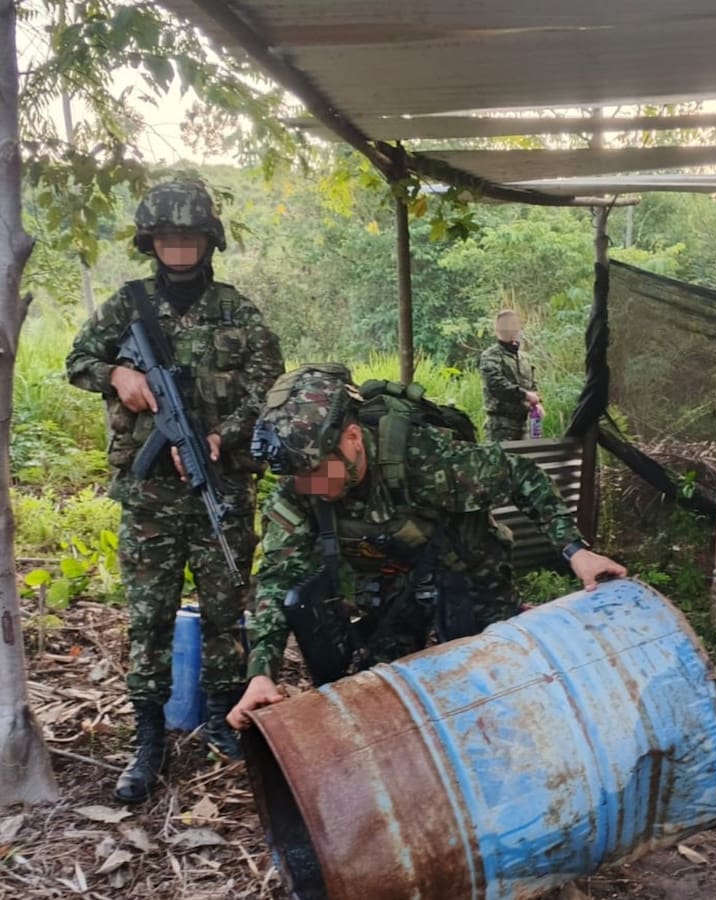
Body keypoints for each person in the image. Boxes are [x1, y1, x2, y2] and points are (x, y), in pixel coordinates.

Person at [226, 364, 626, 729]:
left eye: (314, 474)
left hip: (468, 570)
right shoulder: (300, 482)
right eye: (297, 479)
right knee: (379, 695)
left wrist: (576, 552)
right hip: (395, 585)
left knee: (497, 680)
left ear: (352, 440)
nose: (307, 488)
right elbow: (277, 579)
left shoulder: (425, 460)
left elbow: (521, 476)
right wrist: (261, 671)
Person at [65, 180, 284, 803]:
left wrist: (223, 437)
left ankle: (220, 714)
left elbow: (266, 388)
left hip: (220, 481)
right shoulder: (125, 306)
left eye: (188, 236)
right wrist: (117, 373)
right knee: (149, 617)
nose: (178, 247)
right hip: (151, 498)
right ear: (151, 242)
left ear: (208, 241)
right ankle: (148, 734)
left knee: (223, 608)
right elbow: (77, 360)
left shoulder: (237, 310)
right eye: (166, 237)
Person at [479, 309, 540, 442]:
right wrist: (525, 395)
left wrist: (536, 403)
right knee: (501, 462)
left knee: (527, 460)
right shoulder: (490, 356)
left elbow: (532, 384)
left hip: (524, 425)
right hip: (500, 426)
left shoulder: (524, 358)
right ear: (497, 330)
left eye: (514, 325)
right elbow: (496, 385)